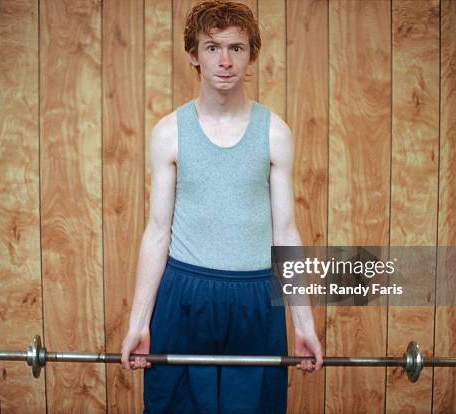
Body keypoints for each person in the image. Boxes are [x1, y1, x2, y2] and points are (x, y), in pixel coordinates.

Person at [121, 1, 323, 412]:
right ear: (193, 55)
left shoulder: (275, 133)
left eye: (236, 48)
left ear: (251, 55)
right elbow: (157, 230)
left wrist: (303, 324)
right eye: (212, 48)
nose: (225, 60)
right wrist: (139, 322)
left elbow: (285, 232)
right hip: (184, 296)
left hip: (253, 299)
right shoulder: (169, 133)